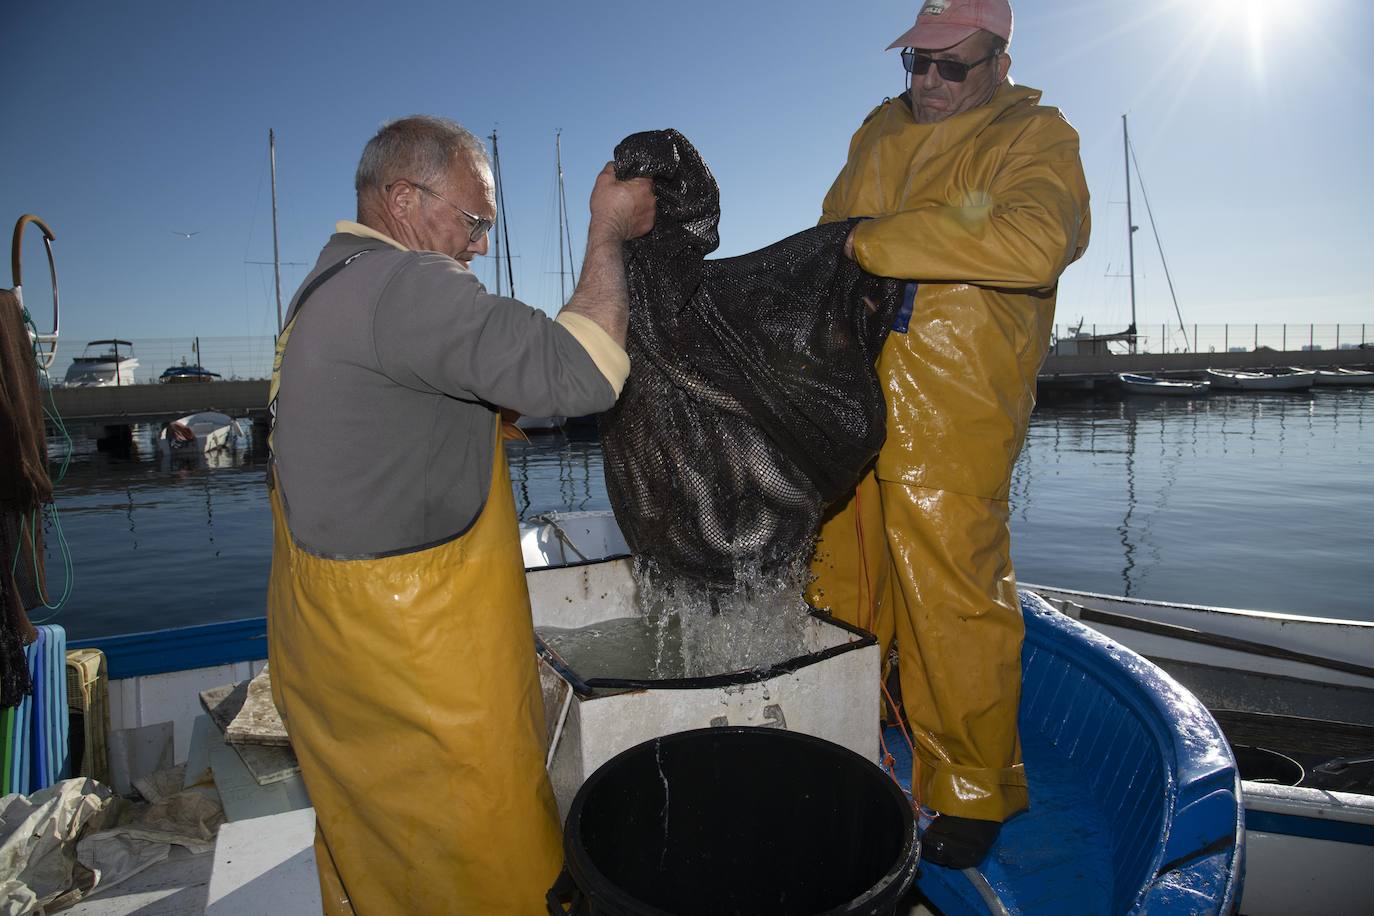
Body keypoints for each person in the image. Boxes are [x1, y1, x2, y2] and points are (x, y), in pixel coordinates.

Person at [266, 115, 654, 914]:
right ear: (405, 198)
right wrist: (607, 235)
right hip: (419, 668)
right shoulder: (405, 284)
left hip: (326, 650)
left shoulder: (323, 291)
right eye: (475, 222)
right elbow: (578, 374)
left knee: (376, 857)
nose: (480, 245)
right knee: (486, 871)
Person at [807, 0, 1091, 868]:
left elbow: (1035, 242)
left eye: (951, 66)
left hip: (957, 405)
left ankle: (971, 785)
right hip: (849, 397)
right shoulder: (875, 130)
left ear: (1000, 62)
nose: (928, 82)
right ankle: (835, 744)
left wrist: (872, 244)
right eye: (915, 63)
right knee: (835, 585)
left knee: (953, 596)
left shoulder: (1038, 136)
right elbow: (828, 242)